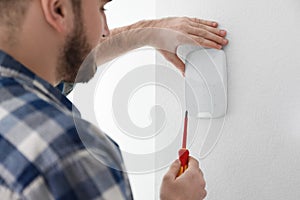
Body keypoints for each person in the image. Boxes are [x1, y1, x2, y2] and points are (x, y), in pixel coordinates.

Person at [0, 0, 228, 199]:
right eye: (101, 9)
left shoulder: (13, 102)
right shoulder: (70, 154)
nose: (106, 30)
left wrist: (150, 32)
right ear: (59, 9)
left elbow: (74, 56)